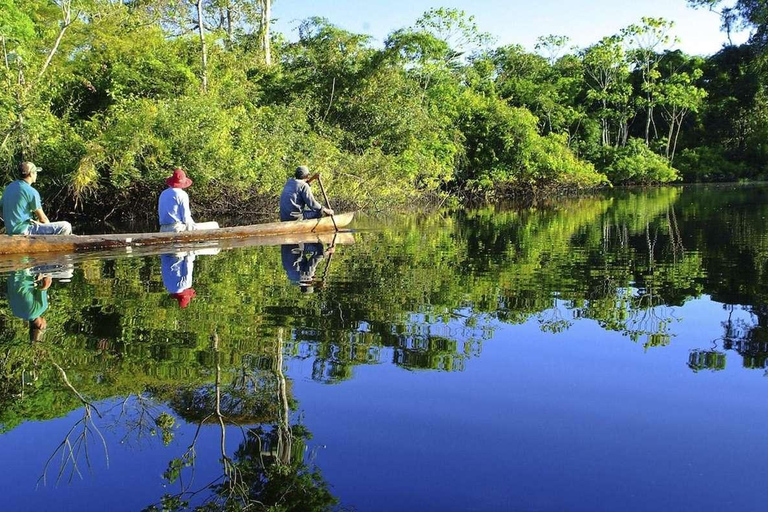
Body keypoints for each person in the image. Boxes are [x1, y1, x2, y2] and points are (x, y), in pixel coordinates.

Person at [0, 162, 72, 235]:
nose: (36, 175)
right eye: (36, 172)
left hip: (11, 231)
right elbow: (43, 219)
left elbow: (1, 211)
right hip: (25, 231)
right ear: (31, 174)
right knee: (66, 226)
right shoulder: (31, 191)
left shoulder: (9, 188)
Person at [158, 168, 220, 232]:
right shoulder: (182, 194)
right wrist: (194, 227)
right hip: (177, 228)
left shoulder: (163, 193)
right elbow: (186, 218)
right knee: (215, 224)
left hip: (163, 229)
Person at [6, 269, 50, 342]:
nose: (46, 324)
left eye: (45, 326)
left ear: (41, 326)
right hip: (11, 275)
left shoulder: (41, 308)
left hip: (25, 273)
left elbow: (46, 282)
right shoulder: (16, 313)